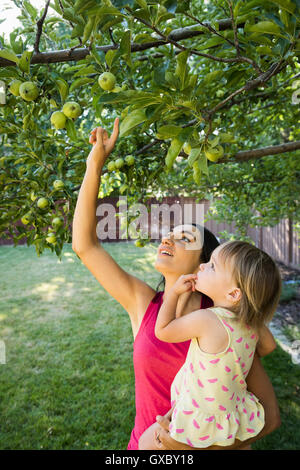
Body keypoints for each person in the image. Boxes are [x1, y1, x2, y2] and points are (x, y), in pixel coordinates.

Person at [72, 118, 281, 450]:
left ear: (203, 266)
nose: (168, 238)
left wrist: (186, 446)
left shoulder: (224, 325)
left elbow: (268, 419)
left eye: (185, 237)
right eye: (170, 232)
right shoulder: (144, 304)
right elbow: (86, 246)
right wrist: (94, 165)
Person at [139, 241, 281, 449]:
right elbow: (269, 347)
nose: (203, 266)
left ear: (233, 294)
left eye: (212, 266)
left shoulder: (207, 319)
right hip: (230, 417)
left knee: (145, 443)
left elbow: (163, 330)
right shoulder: (249, 326)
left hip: (200, 420)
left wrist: (173, 294)